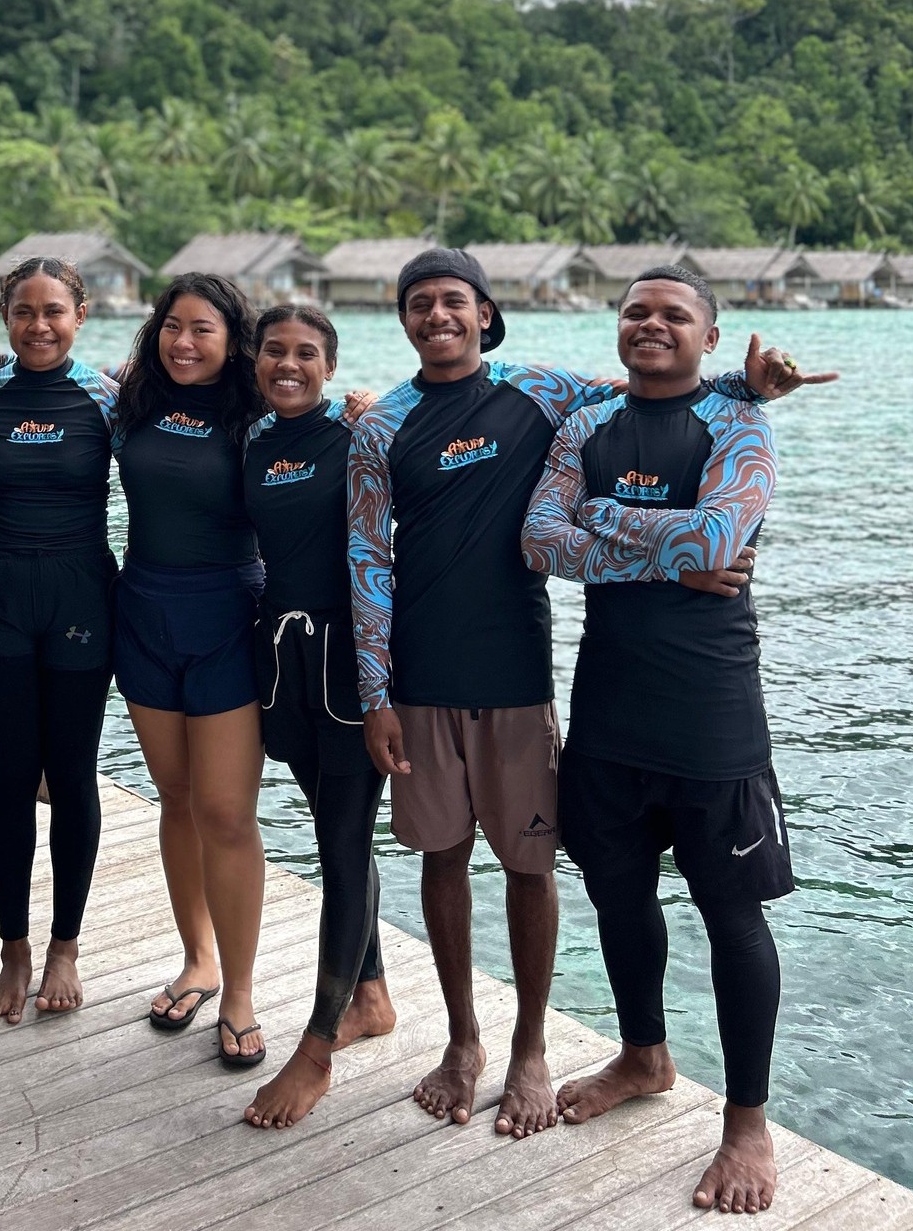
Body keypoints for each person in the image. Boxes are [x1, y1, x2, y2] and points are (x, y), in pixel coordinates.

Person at [349, 246, 819, 1139]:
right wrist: (376, 689)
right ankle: (561, 1050)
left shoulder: (585, 398)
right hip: (540, 699)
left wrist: (737, 391)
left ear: (488, 313)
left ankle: (705, 1110)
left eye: (456, 301)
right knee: (586, 886)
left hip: (630, 698)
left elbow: (711, 517)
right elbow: (528, 543)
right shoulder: (453, 426)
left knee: (676, 900)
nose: (438, 316)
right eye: (419, 304)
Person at [520, 265, 802, 1215]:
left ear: (710, 339)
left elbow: (719, 541)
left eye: (674, 314)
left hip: (712, 716)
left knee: (733, 917)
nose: (651, 324)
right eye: (636, 310)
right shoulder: (584, 426)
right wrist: (665, 549)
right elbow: (538, 542)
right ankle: (644, 1055)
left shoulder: (739, 423)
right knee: (618, 895)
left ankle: (748, 1122)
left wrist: (606, 522)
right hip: (608, 712)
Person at [239, 306, 394, 1128]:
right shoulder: (254, 441)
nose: (289, 365)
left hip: (352, 659)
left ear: (331, 367)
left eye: (307, 354)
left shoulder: (361, 432)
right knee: (340, 830)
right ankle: (370, 993)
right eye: (275, 352)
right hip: (284, 661)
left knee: (342, 841)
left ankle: (319, 1045)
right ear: (256, 361)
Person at [112, 273, 269, 1067]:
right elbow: (40, 367)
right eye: (172, 326)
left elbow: (325, 425)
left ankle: (238, 990)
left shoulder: (259, 414)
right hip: (141, 613)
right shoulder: (132, 401)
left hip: (225, 619)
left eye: (202, 329)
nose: (183, 343)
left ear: (233, 339)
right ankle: (197, 958)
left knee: (227, 812)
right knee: (175, 799)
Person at [0, 258, 118, 1023]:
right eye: (24, 312)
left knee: (74, 773)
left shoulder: (110, 398)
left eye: (54, 311)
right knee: (11, 778)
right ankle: (14, 950)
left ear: (81, 314)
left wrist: (349, 411)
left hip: (81, 597)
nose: (39, 326)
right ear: (4, 317)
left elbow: (212, 412)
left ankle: (65, 947)